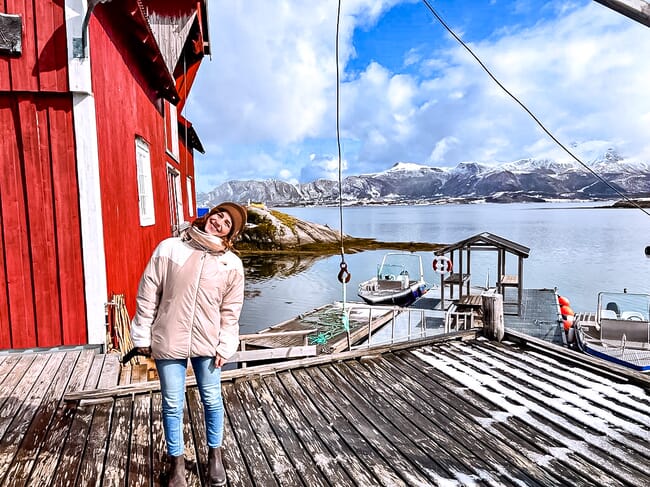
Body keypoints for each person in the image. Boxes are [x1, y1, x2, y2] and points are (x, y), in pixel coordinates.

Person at [130, 202, 247, 487]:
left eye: (227, 223)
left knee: (212, 400)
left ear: (230, 235)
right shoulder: (170, 248)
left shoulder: (231, 264)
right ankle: (177, 465)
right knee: (172, 403)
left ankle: (215, 456)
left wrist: (225, 345)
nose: (219, 221)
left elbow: (231, 311)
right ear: (209, 216)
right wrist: (143, 336)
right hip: (169, 338)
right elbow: (148, 294)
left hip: (209, 343)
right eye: (218, 215)